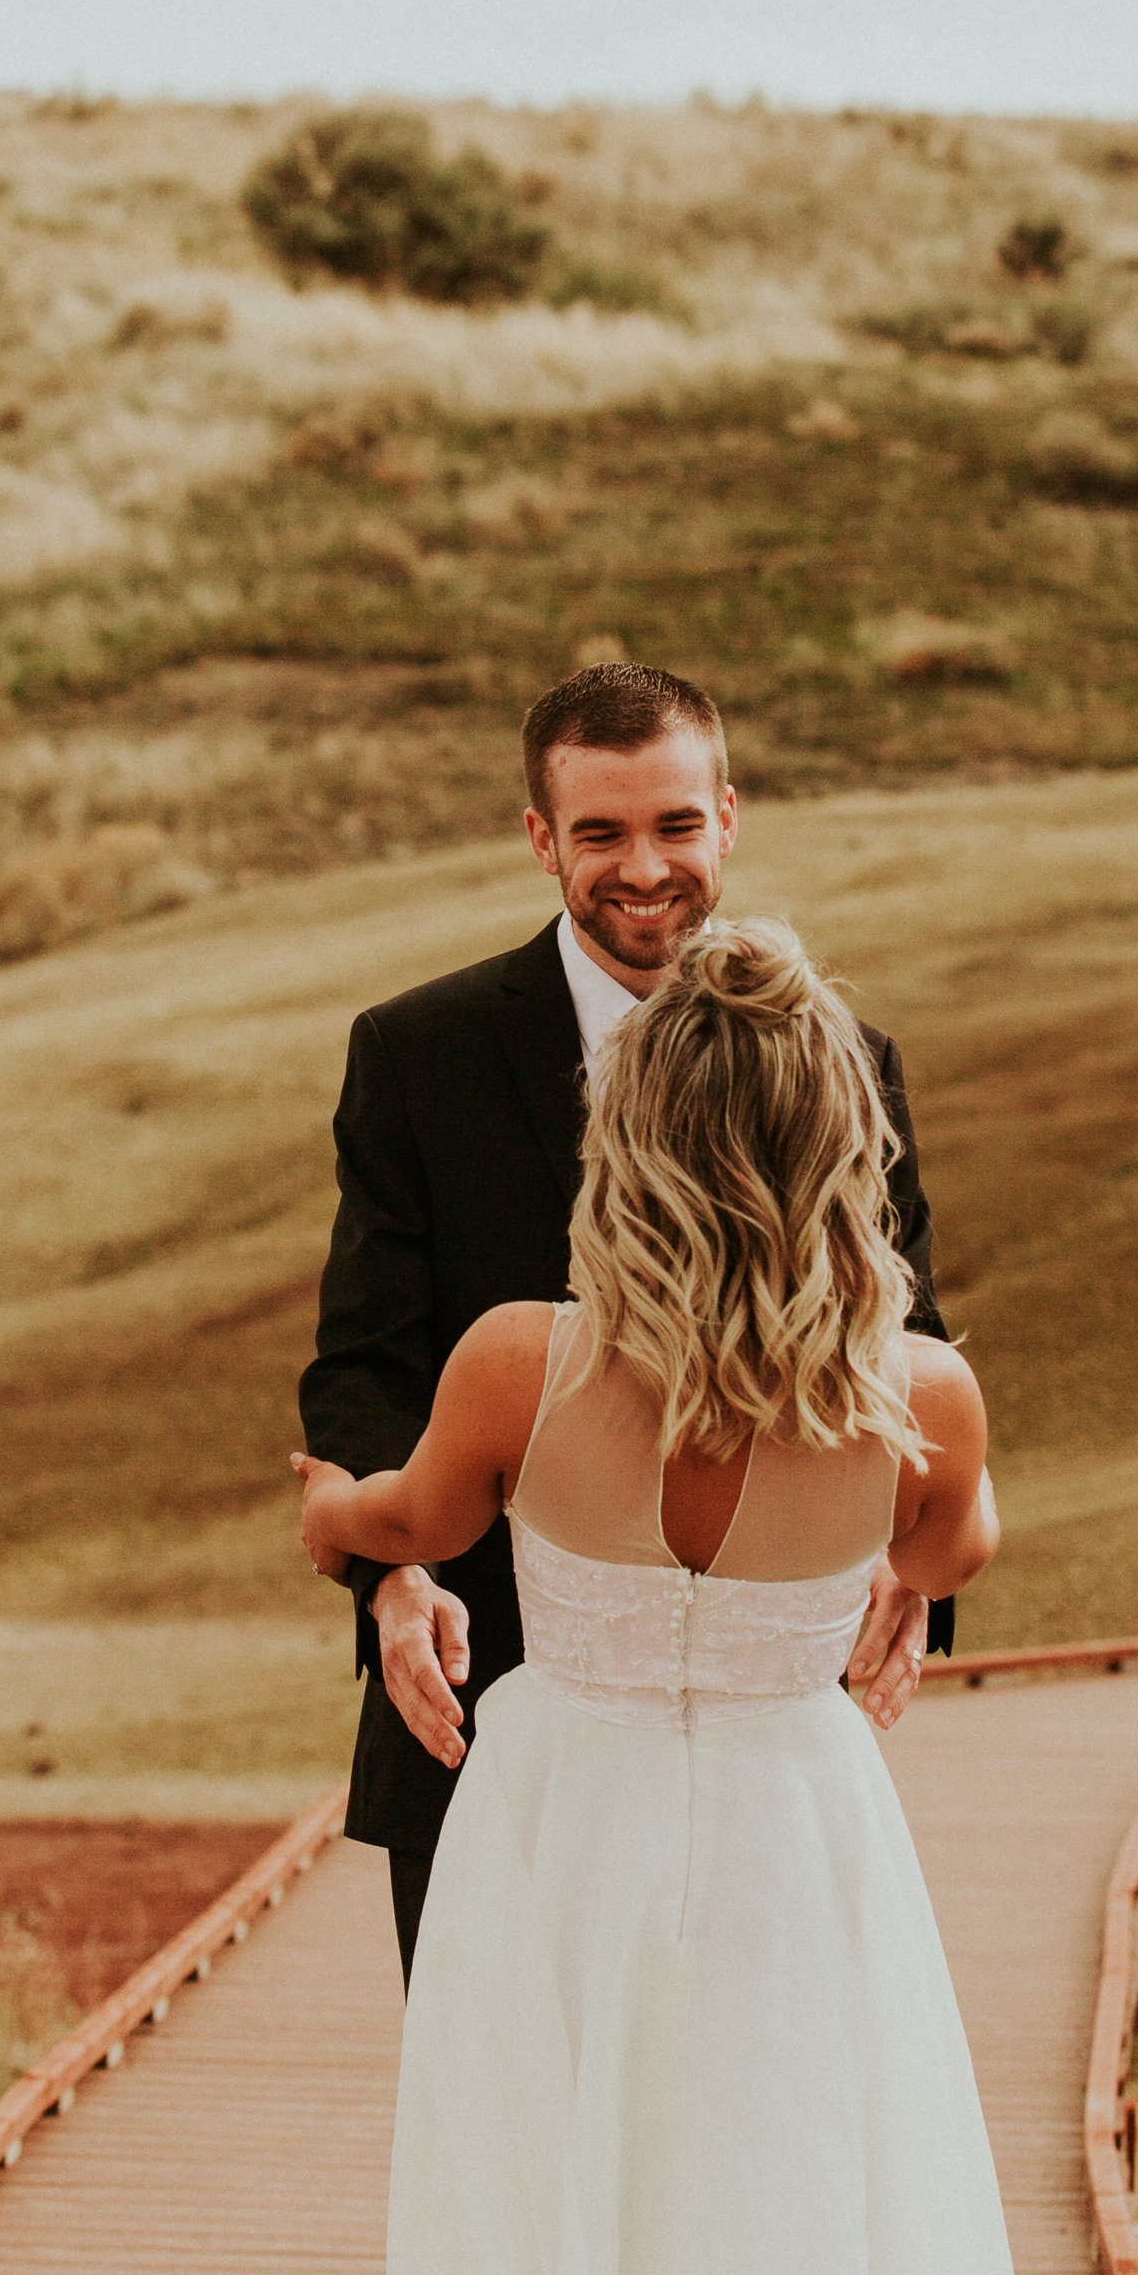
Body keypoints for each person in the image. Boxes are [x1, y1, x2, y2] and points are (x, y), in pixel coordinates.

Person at [292, 920, 1102, 2275]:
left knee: (562, 2269)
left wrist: (330, 1515)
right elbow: (961, 1532)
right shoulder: (922, 1394)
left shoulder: (519, 1363)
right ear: (844, 1141)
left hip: (555, 1848)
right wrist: (900, 1559)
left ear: (625, 1132)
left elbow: (396, 1514)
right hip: (792, 1852)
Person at [299, 658, 956, 1989]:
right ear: (542, 838)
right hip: (479, 1721)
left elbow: (904, 1339)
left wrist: (912, 1562)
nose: (643, 866)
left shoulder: (847, 1058)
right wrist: (393, 1577)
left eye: (673, 824)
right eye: (600, 831)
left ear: (728, 815)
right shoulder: (419, 1055)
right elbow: (366, 1360)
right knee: (506, 2148)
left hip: (766, 1757)